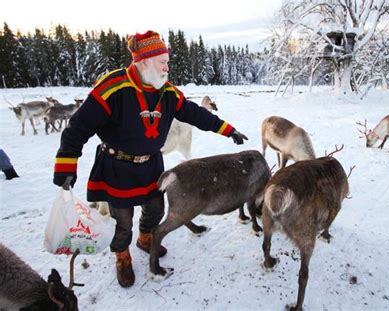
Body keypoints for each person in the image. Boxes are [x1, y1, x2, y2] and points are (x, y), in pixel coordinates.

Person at [52, 30, 248, 288]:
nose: (168, 67)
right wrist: (66, 165)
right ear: (143, 61)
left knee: (155, 209)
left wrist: (227, 130)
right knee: (122, 221)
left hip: (151, 165)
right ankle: (122, 256)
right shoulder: (113, 87)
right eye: (162, 62)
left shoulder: (167, 92)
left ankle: (145, 238)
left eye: (167, 61)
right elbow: (78, 128)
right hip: (117, 167)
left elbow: (195, 114)